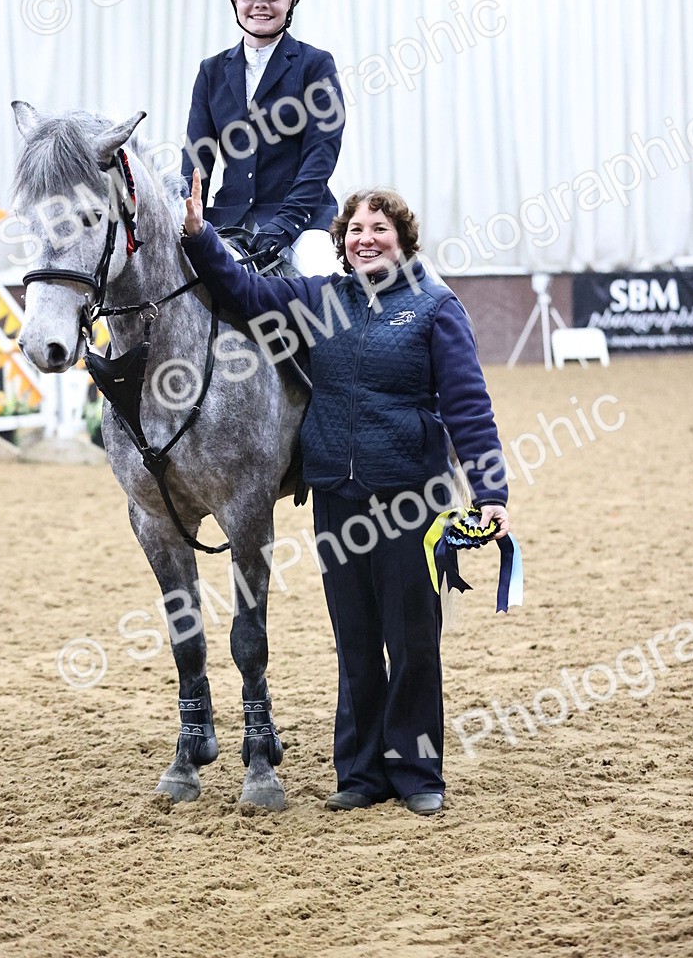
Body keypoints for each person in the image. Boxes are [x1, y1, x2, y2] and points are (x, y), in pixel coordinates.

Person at [180, 172, 510, 816]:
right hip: (337, 496)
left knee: (412, 639)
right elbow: (244, 291)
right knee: (355, 639)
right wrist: (199, 235)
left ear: (403, 240)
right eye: (355, 230)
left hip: (413, 498)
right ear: (341, 240)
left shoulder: (436, 307)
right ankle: (360, 774)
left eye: (379, 229)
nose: (366, 240)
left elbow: (469, 406)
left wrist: (489, 488)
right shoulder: (320, 299)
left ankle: (416, 771)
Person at [181, 0, 345, 275]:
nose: (260, 5)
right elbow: (198, 157)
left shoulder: (315, 65)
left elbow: (321, 152)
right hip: (230, 220)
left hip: (304, 221)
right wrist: (184, 214)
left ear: (291, 0)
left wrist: (288, 221)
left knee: (325, 280)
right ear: (235, 0)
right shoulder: (211, 71)